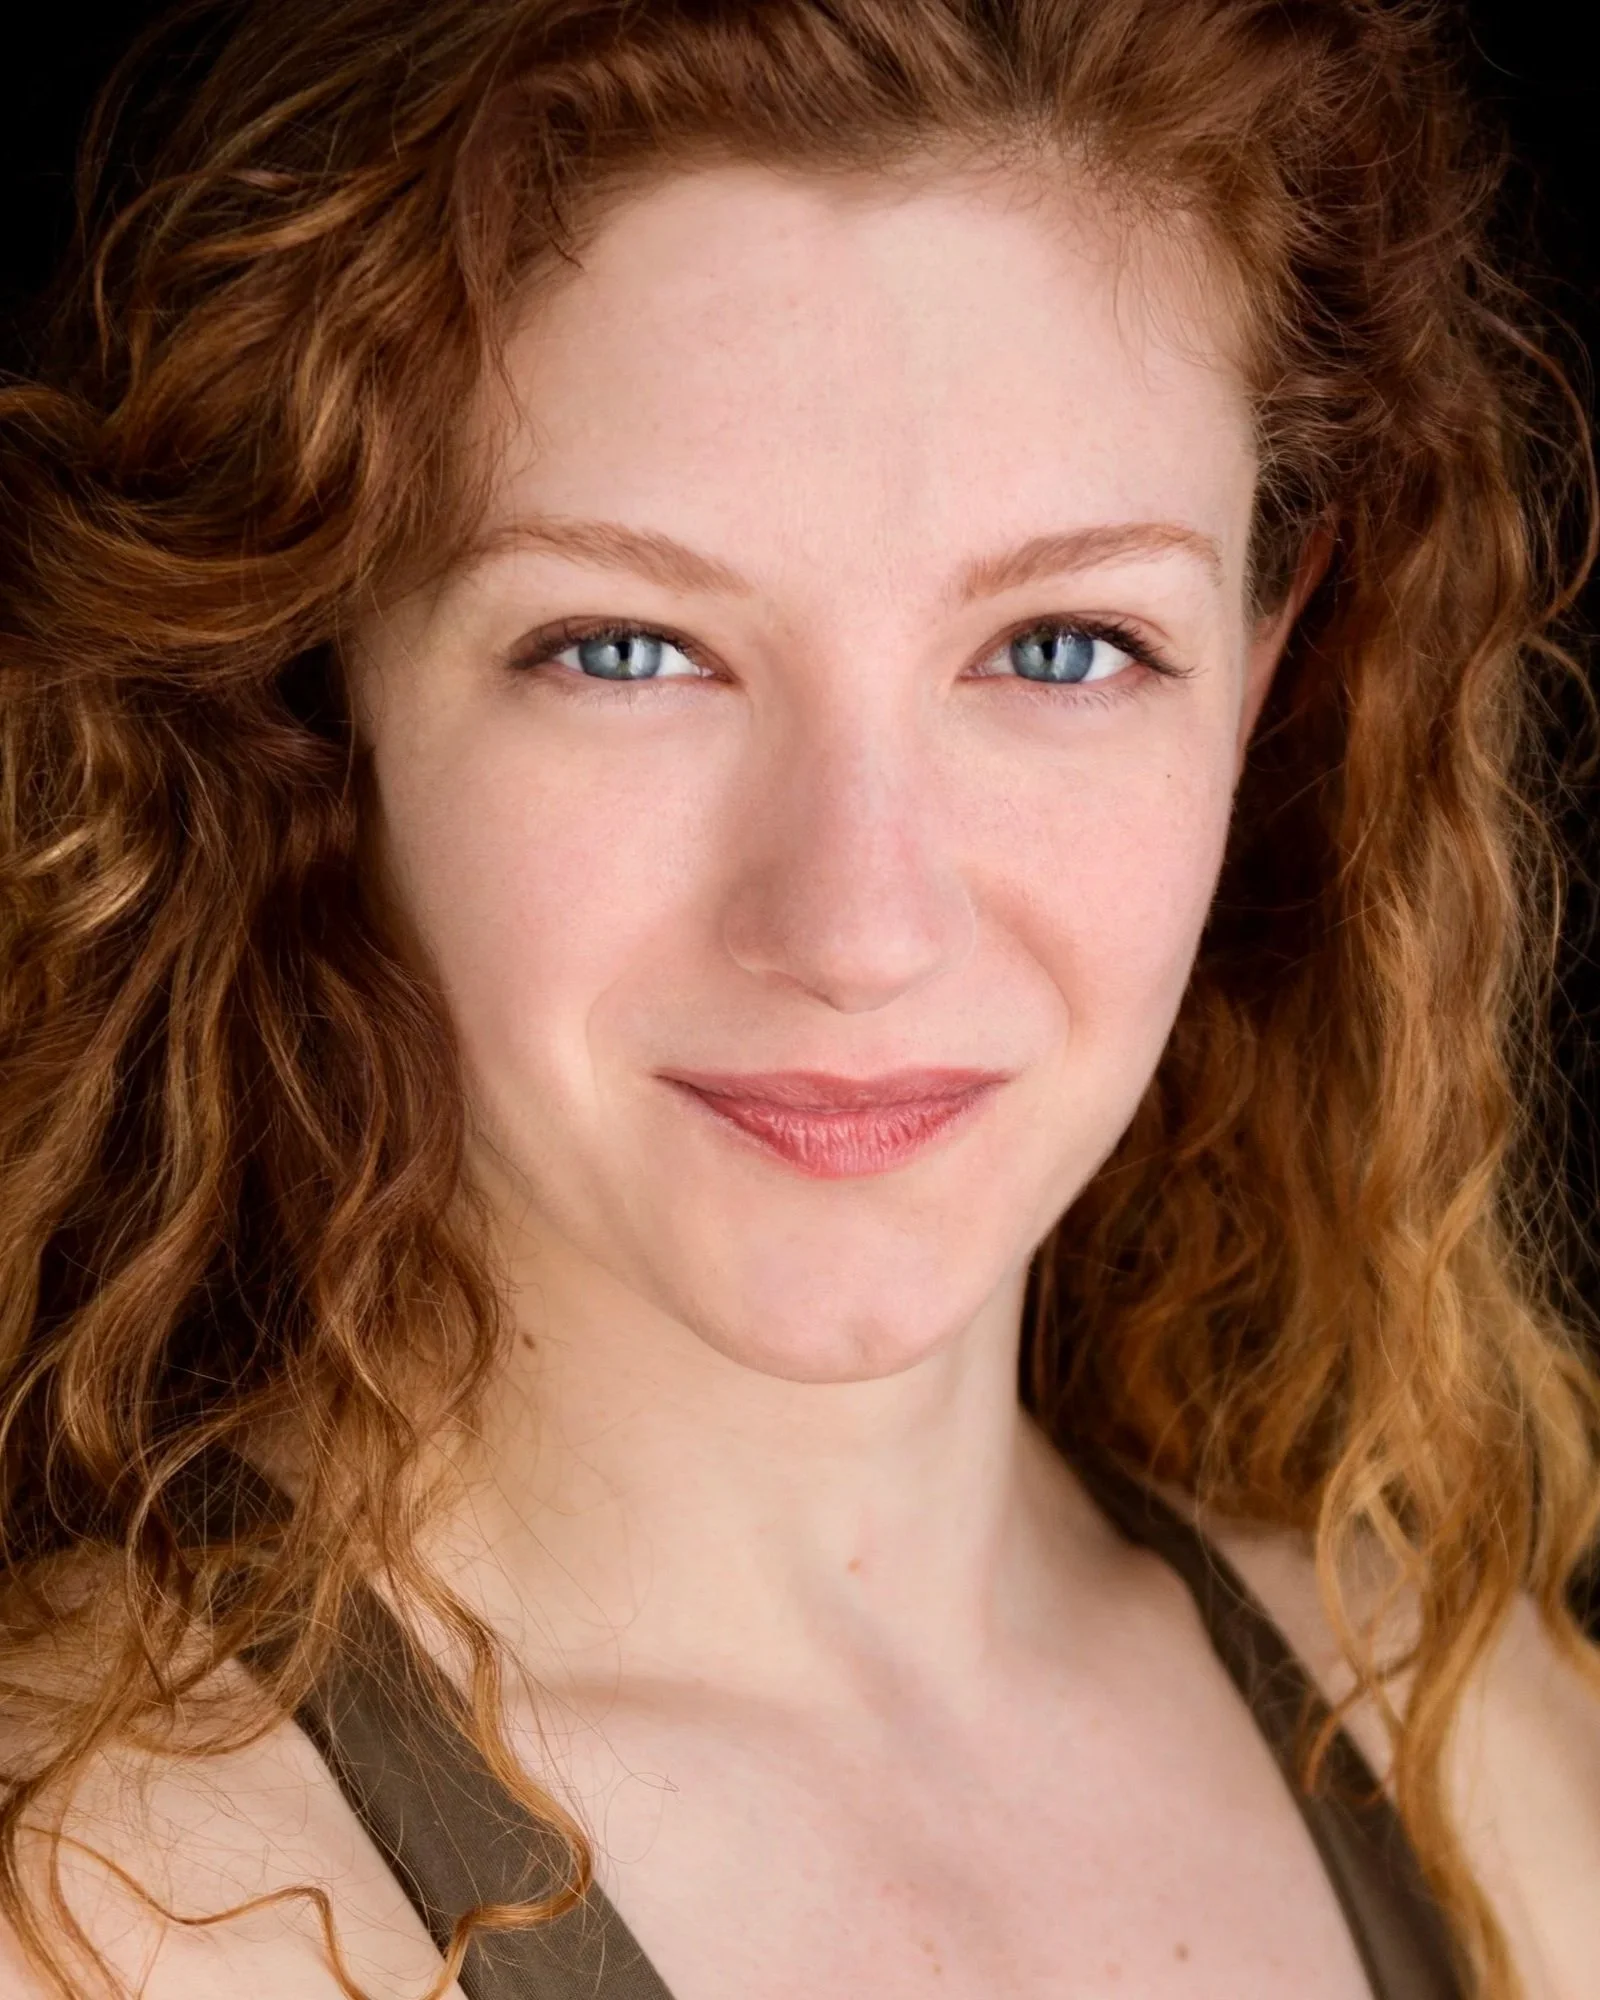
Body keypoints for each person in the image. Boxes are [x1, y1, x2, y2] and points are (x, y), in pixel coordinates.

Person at [3, 0, 1599, 1995]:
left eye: (1062, 647)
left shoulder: (1487, 1757)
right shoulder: (96, 1898)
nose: (854, 924)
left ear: (1267, 671)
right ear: (325, 687)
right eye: (625, 649)